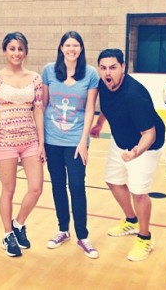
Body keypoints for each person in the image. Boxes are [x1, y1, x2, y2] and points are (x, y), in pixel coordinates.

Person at [0, 32, 45, 258]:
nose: (16, 53)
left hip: (30, 140)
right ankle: (7, 235)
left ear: (26, 52)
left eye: (20, 49)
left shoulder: (35, 78)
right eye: (12, 48)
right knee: (9, 189)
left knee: (36, 188)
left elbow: (38, 109)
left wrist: (42, 143)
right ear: (5, 51)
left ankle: (19, 224)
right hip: (6, 142)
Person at [91, 49, 165, 262]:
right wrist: (98, 124)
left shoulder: (134, 94)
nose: (108, 73)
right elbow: (107, 107)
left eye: (113, 67)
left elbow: (149, 134)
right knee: (113, 181)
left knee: (139, 193)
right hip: (121, 140)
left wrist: (135, 153)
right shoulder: (104, 85)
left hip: (145, 146)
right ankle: (131, 221)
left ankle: (145, 238)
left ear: (123, 67)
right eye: (103, 67)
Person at [42, 31, 99, 259]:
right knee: (57, 185)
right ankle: (63, 229)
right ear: (61, 48)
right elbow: (44, 104)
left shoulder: (90, 74)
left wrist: (83, 142)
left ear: (81, 49)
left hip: (75, 141)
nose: (71, 49)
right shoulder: (48, 70)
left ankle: (82, 236)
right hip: (51, 139)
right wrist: (40, 140)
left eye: (76, 45)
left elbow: (89, 109)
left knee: (76, 185)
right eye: (67, 45)